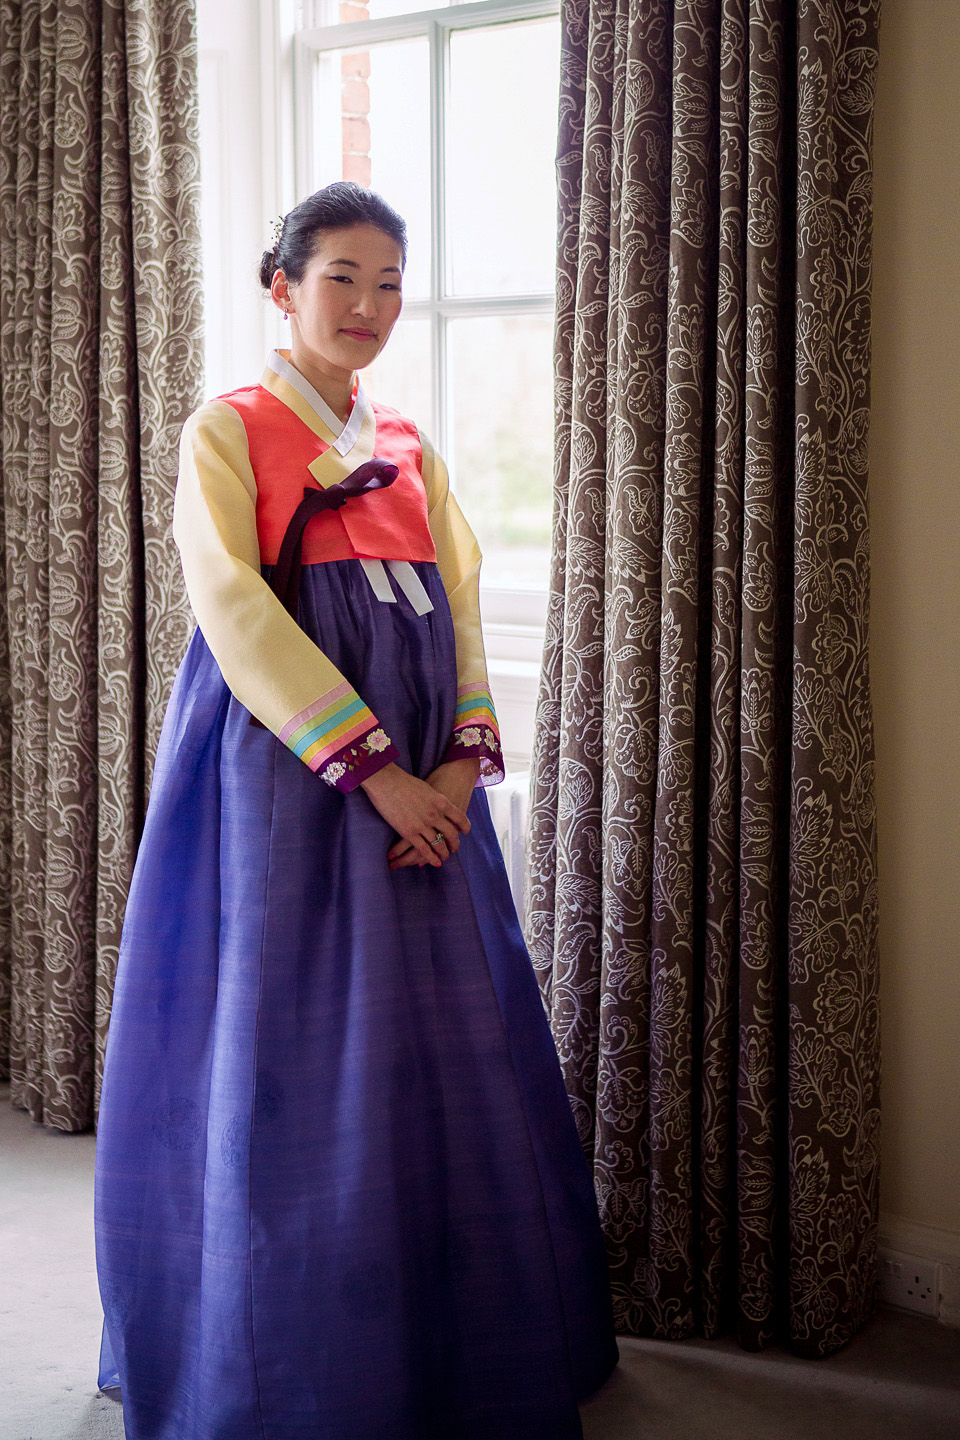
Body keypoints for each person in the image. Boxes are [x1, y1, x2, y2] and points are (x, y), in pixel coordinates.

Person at [94, 181, 618, 1440]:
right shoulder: (226, 431)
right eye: (342, 277)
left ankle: (454, 1337)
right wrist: (376, 771)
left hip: (430, 789)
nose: (369, 305)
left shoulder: (415, 450)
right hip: (288, 780)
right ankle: (297, 1361)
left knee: (444, 1049)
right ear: (282, 286)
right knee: (289, 1049)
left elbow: (462, 606)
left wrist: (459, 769)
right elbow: (236, 612)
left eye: (389, 283)